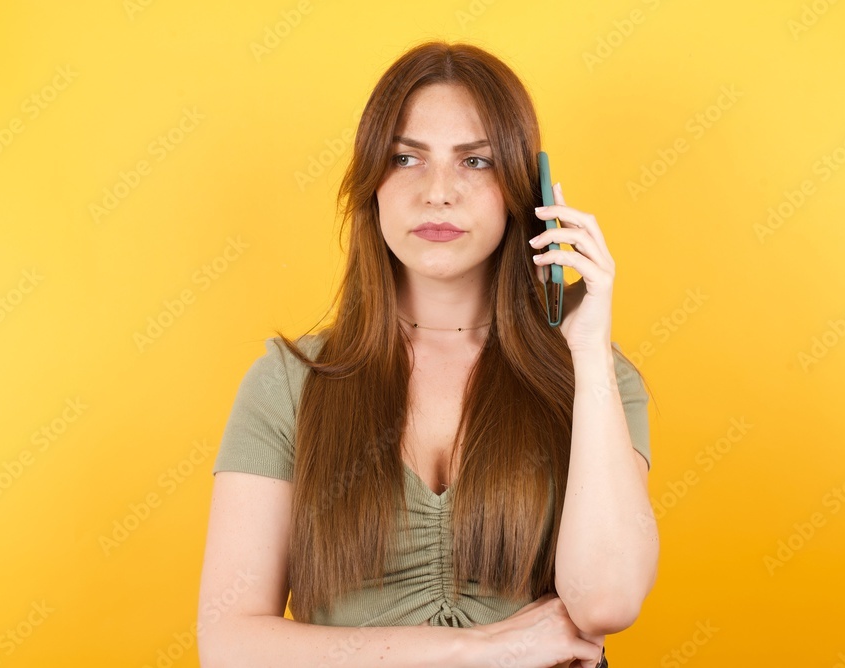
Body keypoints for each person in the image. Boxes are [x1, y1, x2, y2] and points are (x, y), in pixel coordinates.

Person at [197, 40, 658, 668]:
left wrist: (587, 352)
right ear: (372, 185)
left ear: (526, 191)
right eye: (407, 157)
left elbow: (606, 601)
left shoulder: (595, 378)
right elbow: (229, 646)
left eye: (476, 162)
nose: (438, 192)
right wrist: (481, 649)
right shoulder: (288, 382)